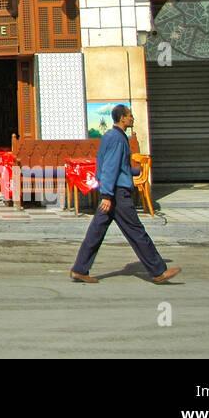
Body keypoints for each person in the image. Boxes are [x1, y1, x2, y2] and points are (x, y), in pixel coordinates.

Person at [70, 105, 181, 285]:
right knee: (136, 232)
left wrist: (134, 172)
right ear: (122, 118)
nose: (132, 118)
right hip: (117, 194)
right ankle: (159, 271)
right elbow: (110, 167)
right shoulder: (117, 139)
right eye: (129, 116)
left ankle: (80, 269)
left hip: (112, 191)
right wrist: (107, 195)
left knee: (95, 232)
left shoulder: (110, 136)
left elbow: (111, 165)